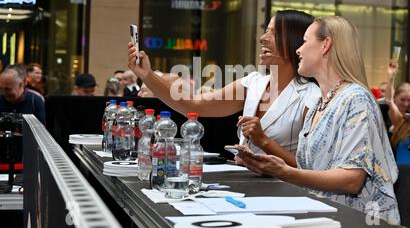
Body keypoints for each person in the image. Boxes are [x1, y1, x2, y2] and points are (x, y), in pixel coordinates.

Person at [235, 16, 400, 224]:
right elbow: (309, 171)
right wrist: (273, 164)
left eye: (305, 41)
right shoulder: (319, 105)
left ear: (326, 45)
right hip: (323, 215)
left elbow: (352, 180)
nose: (298, 50)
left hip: (357, 223)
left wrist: (286, 173)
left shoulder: (356, 99)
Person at [128, 10, 321, 167]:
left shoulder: (311, 97)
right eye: (266, 31)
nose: (263, 38)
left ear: (296, 41)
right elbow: (193, 105)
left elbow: (309, 168)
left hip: (284, 194)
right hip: (245, 183)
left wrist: (263, 141)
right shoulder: (254, 83)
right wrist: (147, 74)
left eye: (273, 32)